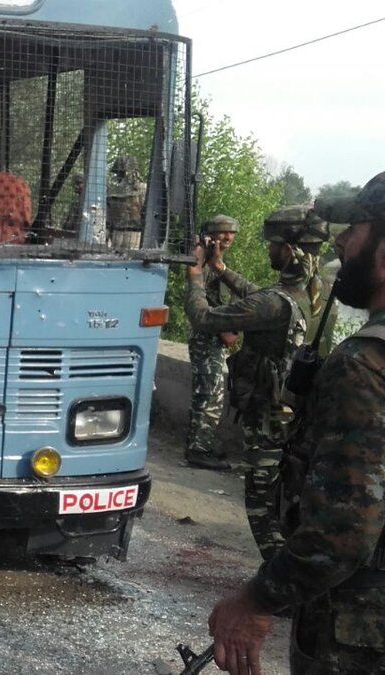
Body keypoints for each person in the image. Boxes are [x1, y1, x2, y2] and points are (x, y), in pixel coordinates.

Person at [207, 173, 385, 674]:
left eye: (358, 227)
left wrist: (257, 600)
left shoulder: (365, 364)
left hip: (362, 633)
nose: (343, 241)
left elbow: (345, 528)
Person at [184, 206, 329, 561]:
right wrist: (219, 268)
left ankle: (280, 584)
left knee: (262, 506)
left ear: (290, 250)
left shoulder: (275, 303)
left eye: (273, 245)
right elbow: (259, 296)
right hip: (293, 413)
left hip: (268, 416)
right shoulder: (312, 291)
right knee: (287, 497)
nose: (268, 251)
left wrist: (195, 275)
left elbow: (204, 317)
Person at [185, 215, 254, 471]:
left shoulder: (215, 263)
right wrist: (224, 331)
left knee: (209, 392)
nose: (228, 239)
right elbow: (201, 302)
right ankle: (198, 450)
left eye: (231, 234)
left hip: (214, 338)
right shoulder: (201, 262)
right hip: (207, 338)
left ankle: (200, 445)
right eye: (223, 234)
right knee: (208, 393)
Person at [107, 156, 146, 249]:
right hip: (128, 234)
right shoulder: (143, 188)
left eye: (120, 172)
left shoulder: (111, 191)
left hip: (129, 234)